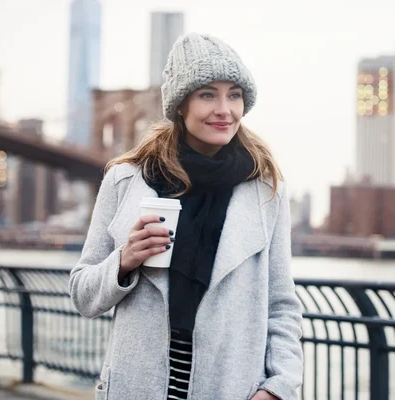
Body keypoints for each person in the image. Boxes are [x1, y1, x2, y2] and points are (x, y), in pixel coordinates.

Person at [69, 32, 303, 400]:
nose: (225, 109)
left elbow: (282, 305)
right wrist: (124, 261)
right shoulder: (125, 181)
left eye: (235, 95)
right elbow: (82, 295)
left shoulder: (265, 190)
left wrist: (277, 387)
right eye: (208, 94)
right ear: (180, 104)